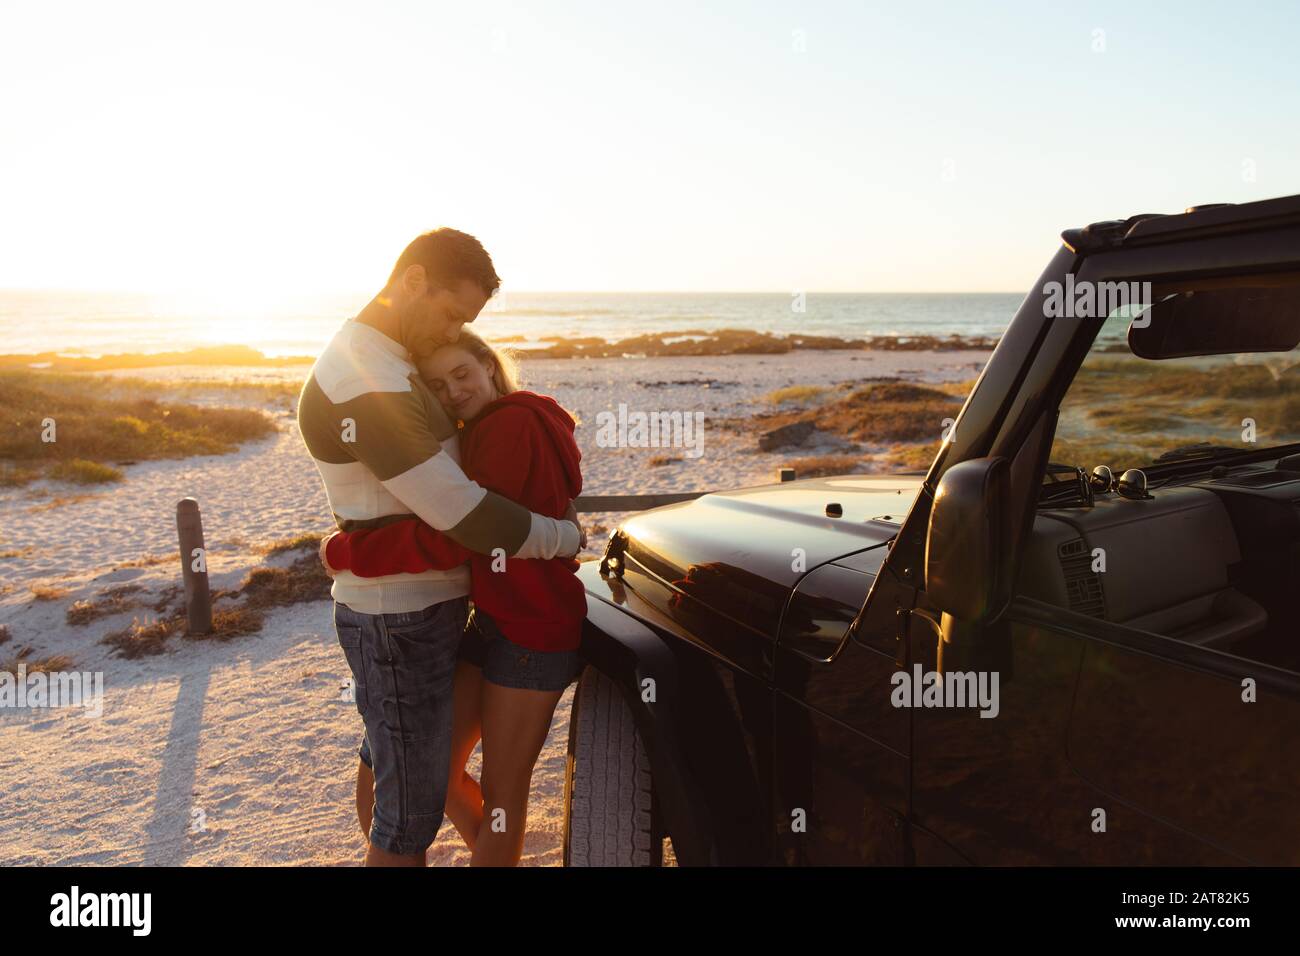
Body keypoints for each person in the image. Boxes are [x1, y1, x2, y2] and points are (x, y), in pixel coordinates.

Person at [297, 229, 581, 866]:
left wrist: (349, 552)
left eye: (469, 327)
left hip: (424, 613)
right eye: (453, 313)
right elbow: (461, 513)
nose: (455, 329)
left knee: (398, 781)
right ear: (413, 280)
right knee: (408, 817)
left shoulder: (393, 362)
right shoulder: (362, 373)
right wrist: (563, 536)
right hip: (400, 618)